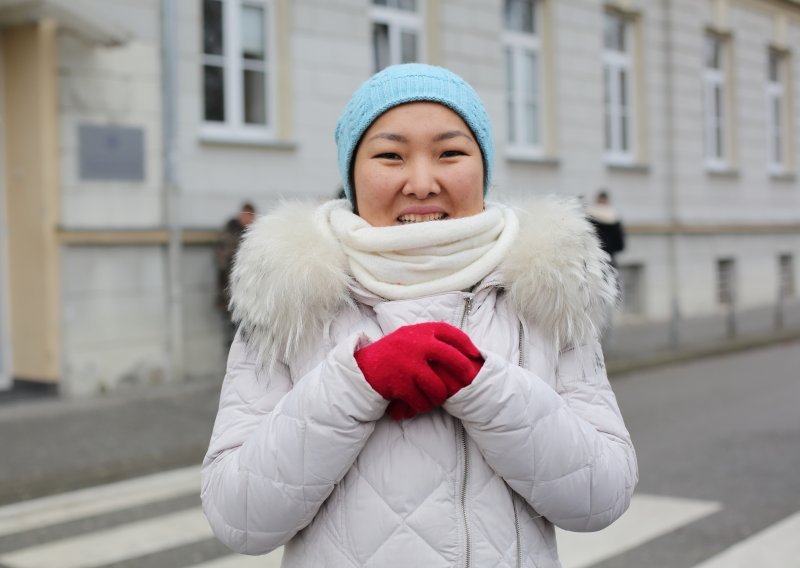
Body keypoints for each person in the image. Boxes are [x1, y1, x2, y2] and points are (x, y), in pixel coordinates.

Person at [201, 64, 637, 567]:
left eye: (450, 153)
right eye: (390, 156)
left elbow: (600, 498)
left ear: (483, 166)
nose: (422, 182)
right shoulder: (293, 299)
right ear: (352, 173)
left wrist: (485, 386)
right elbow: (241, 518)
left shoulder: (543, 291)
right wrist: (356, 383)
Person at [214, 202, 255, 346]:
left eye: (251, 217)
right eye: (246, 216)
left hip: (248, 299)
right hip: (229, 296)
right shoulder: (229, 236)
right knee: (232, 340)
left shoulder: (253, 237)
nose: (248, 220)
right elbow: (223, 264)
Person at [586, 190, 626, 267]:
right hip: (609, 257)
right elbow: (619, 245)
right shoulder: (614, 217)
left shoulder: (589, 216)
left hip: (593, 257)